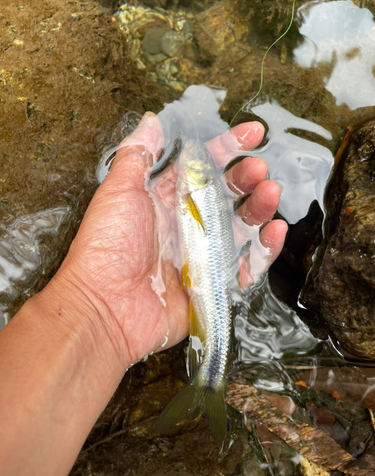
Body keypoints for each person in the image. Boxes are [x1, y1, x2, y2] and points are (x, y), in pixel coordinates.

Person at [0, 113, 287, 475]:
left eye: (194, 160)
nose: (189, 158)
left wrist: (94, 308)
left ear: (197, 177)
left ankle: (210, 381)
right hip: (197, 276)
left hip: (203, 281)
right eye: (193, 157)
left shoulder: (197, 192)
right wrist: (95, 303)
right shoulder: (195, 194)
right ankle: (209, 382)